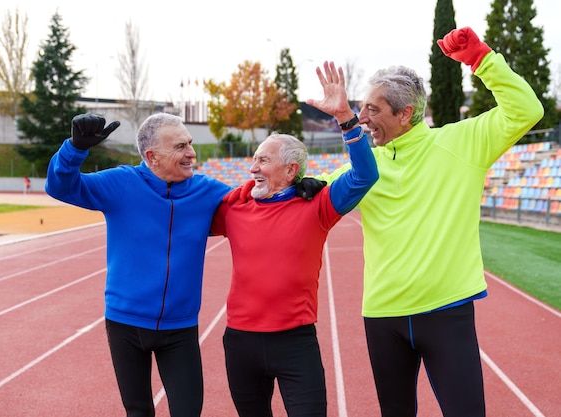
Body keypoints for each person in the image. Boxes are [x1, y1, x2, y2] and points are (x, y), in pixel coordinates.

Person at [306, 27, 544, 416]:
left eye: (373, 109)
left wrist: (482, 60)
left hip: (446, 311)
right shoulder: (367, 167)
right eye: (361, 108)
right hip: (383, 316)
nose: (362, 118)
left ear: (405, 114)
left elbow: (527, 110)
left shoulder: (461, 142)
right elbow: (314, 197)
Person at [44, 112, 325, 417]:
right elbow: (61, 186)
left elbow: (256, 200)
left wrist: (296, 188)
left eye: (189, 143)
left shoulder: (207, 191)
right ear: (152, 156)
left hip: (180, 328)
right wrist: (74, 149)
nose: (192, 153)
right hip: (125, 323)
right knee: (138, 411)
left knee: (188, 411)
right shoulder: (121, 183)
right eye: (180, 147)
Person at [210, 71, 379, 416]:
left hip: (294, 343)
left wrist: (346, 118)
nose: (253, 167)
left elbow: (365, 176)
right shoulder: (234, 208)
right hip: (240, 342)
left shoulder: (317, 206)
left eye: (263, 160)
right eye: (254, 158)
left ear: (290, 171)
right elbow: (180, 216)